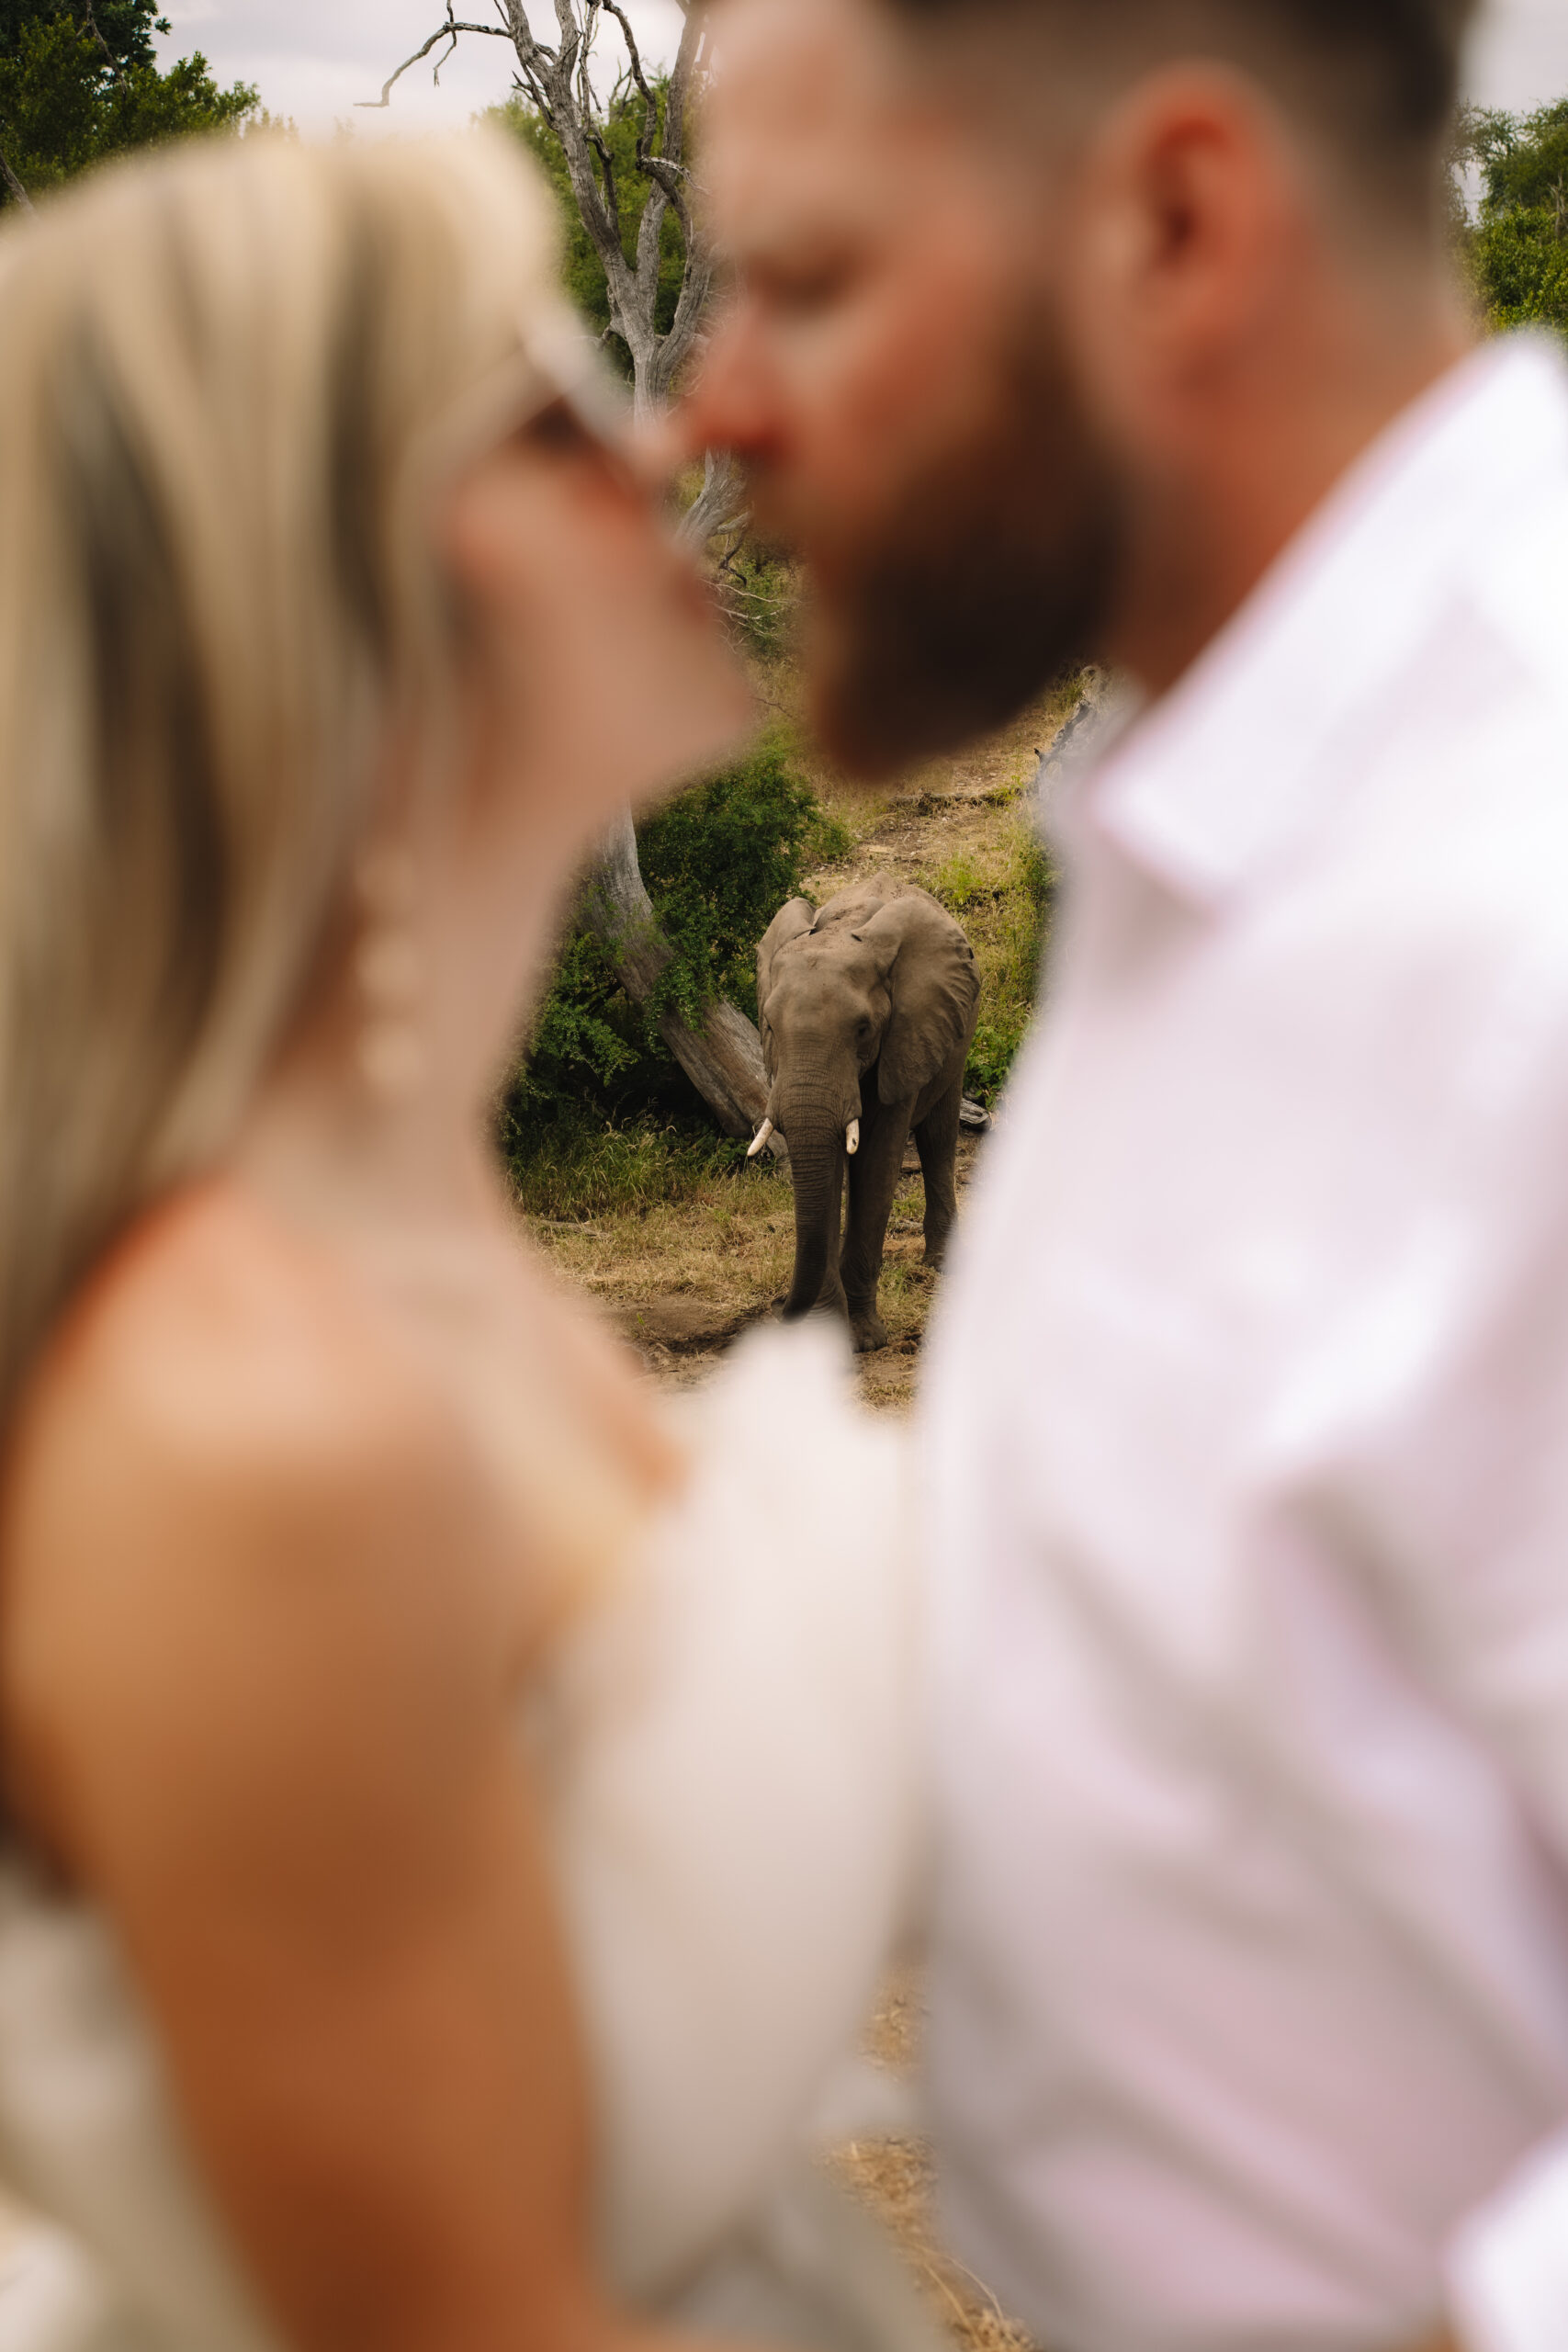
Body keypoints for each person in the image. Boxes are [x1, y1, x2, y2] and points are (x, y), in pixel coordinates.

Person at [0, 130, 940, 2352]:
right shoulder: (254, 1425)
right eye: (548, 411)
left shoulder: (423, 1246)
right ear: (329, 578)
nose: (679, 435)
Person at [683, 1, 1568, 2348]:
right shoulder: (1210, 840)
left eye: (812, 278)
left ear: (1173, 224)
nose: (714, 406)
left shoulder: (1516, 920)